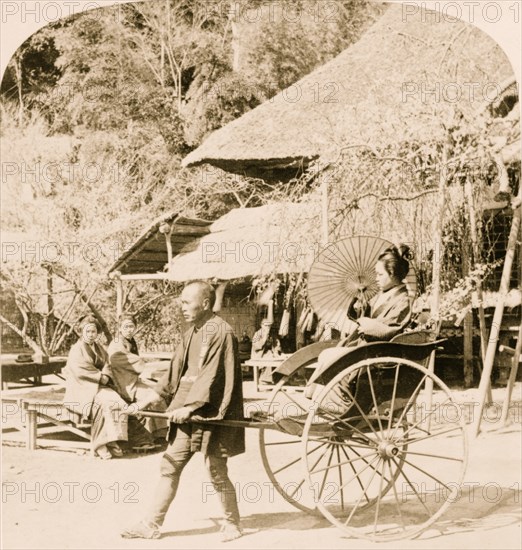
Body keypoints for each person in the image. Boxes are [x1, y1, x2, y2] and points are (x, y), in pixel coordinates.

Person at [120, 281, 245, 543]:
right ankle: (150, 523)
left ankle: (233, 523)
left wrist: (190, 407)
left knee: (216, 470)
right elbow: (174, 374)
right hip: (187, 413)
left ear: (206, 304)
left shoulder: (221, 332)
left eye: (187, 302)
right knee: (170, 465)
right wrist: (144, 403)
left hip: (213, 414)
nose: (182, 306)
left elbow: (214, 378)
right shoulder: (191, 332)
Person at [307, 245, 413, 399]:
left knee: (330, 356)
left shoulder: (402, 300)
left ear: (392, 274)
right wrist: (361, 307)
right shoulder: (383, 295)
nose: (376, 278)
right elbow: (368, 315)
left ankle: (332, 398)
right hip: (366, 345)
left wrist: (367, 324)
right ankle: (317, 395)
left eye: (380, 274)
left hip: (378, 351)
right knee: (326, 355)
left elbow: (392, 329)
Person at [63, 316, 129, 460]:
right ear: (82, 332)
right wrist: (100, 377)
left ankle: (113, 439)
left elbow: (107, 364)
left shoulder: (99, 347)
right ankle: (100, 444)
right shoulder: (76, 349)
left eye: (94, 331)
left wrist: (105, 375)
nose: (91, 334)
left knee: (119, 403)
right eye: (88, 331)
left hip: (98, 384)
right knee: (102, 405)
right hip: (82, 387)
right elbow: (79, 369)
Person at [107, 314, 168, 448]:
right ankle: (152, 436)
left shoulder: (130, 341)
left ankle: (160, 434)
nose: (129, 329)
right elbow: (123, 360)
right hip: (123, 382)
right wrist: (141, 363)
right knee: (153, 397)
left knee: (160, 391)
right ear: (120, 328)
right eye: (126, 326)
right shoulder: (117, 344)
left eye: (131, 326)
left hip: (132, 378)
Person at [251, 318, 282, 384]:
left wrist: (276, 351)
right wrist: (264, 338)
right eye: (266, 325)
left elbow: (277, 344)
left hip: (270, 353)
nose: (267, 327)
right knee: (269, 356)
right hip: (259, 354)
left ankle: (277, 379)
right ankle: (264, 380)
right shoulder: (257, 334)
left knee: (278, 358)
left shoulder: (272, 334)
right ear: (261, 325)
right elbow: (255, 346)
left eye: (269, 325)